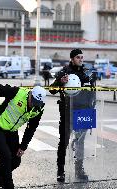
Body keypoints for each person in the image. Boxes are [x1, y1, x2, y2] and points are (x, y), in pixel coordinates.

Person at [0, 76, 46, 189]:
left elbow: (31, 128)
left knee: (15, 161)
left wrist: (23, 146)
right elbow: (0, 89)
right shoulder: (18, 92)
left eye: (37, 103)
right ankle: (9, 185)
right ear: (30, 94)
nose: (33, 104)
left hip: (11, 131)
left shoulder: (38, 109)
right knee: (5, 155)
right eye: (33, 101)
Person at [49, 49, 96, 183]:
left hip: (83, 111)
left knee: (80, 143)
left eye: (82, 57)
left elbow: (93, 91)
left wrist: (92, 106)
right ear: (71, 59)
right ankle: (60, 171)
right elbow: (52, 90)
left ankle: (79, 170)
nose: (80, 59)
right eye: (78, 57)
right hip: (67, 111)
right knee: (63, 142)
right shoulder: (64, 72)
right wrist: (60, 82)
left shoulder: (87, 72)